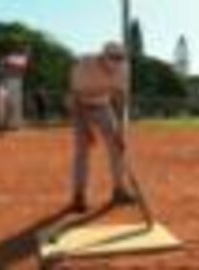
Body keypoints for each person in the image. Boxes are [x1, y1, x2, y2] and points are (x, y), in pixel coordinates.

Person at [67, 42, 135, 213]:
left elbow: (121, 102)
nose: (116, 65)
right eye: (113, 60)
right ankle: (79, 195)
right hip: (81, 106)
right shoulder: (84, 66)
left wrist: (121, 131)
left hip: (103, 106)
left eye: (120, 60)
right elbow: (75, 99)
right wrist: (87, 130)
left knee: (117, 149)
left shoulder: (124, 69)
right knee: (82, 150)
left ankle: (119, 190)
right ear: (102, 58)